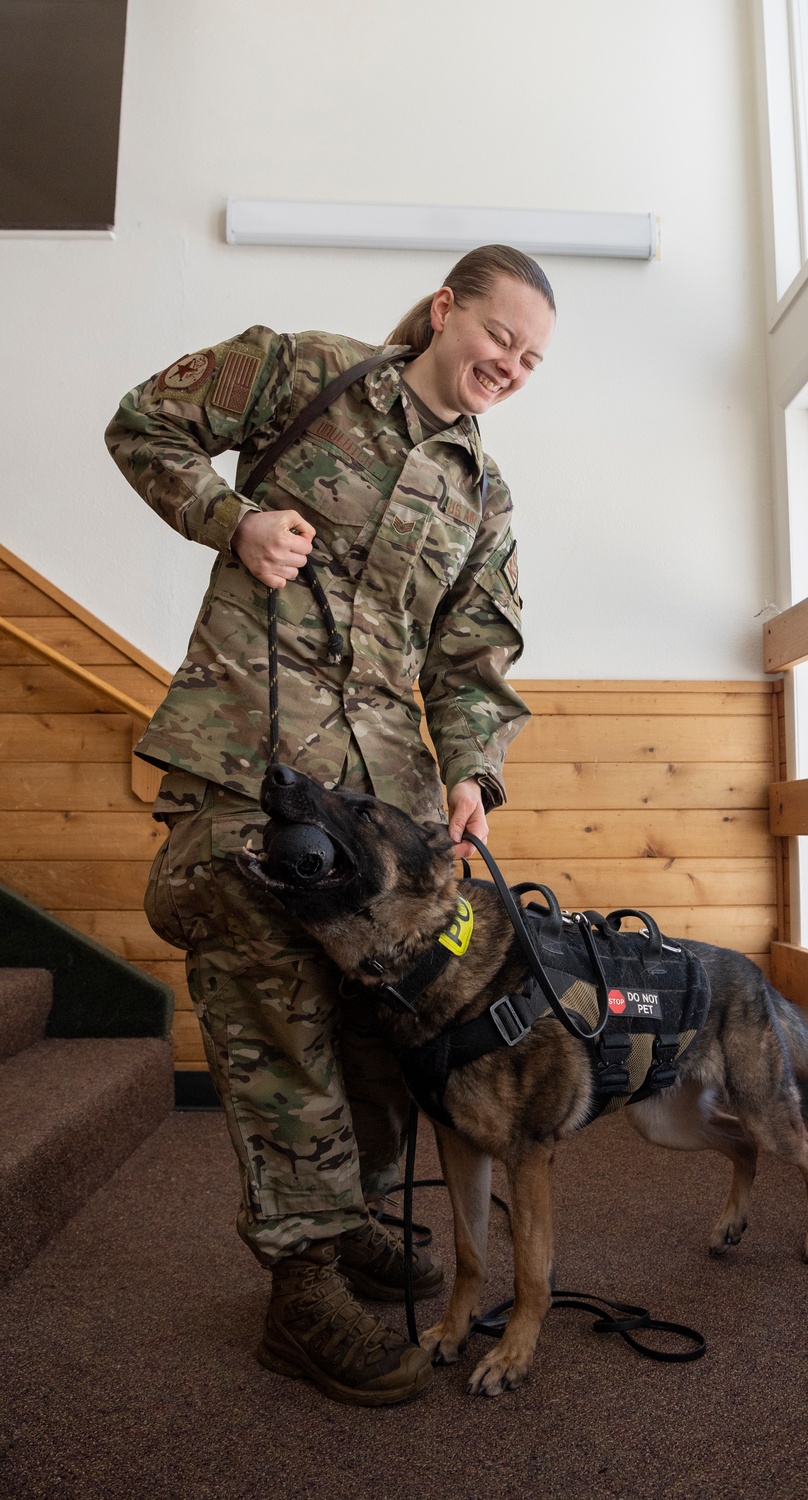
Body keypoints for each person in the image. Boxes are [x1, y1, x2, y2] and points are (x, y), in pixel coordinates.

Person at [105, 244, 557, 1407]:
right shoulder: (301, 369)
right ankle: (300, 1286)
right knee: (273, 1007)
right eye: (501, 337)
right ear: (446, 309)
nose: (511, 365)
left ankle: (349, 1219)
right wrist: (233, 518)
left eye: (532, 359)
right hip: (250, 755)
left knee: (380, 1026)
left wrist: (471, 772)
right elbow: (142, 424)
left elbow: (474, 658)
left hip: (386, 810)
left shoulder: (481, 494)